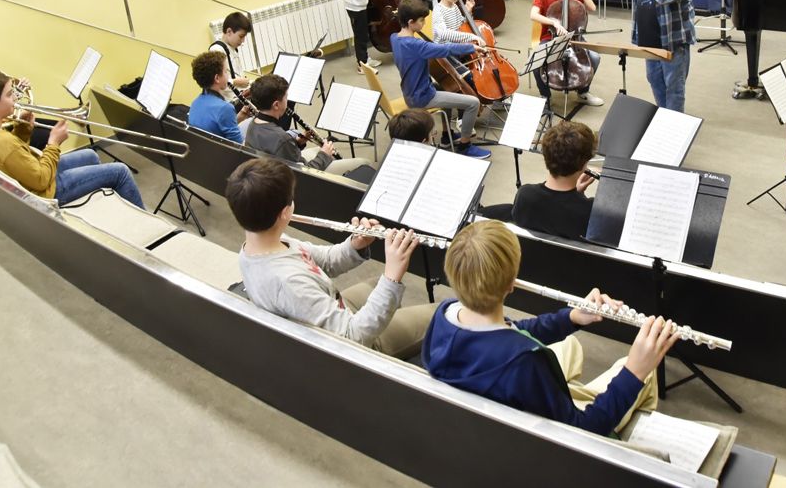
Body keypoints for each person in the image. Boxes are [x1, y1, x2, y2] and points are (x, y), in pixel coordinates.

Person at [422, 220, 677, 436]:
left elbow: (508, 332)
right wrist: (635, 370)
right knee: (643, 373)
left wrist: (572, 317)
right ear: (511, 283)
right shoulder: (526, 361)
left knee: (570, 346)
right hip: (548, 441)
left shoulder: (446, 313)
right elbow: (583, 428)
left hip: (489, 403)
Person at [228, 158, 435, 358]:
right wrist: (391, 278)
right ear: (285, 212)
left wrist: (354, 245)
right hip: (353, 347)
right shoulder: (290, 283)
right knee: (439, 314)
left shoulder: (265, 242)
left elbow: (324, 261)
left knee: (375, 285)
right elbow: (353, 337)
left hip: (333, 306)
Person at [0, 73, 143, 207]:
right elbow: (40, 179)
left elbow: (14, 156)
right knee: (120, 171)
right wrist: (54, 143)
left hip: (29, 173)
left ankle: (102, 204)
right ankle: (145, 226)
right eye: (9, 95)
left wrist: (23, 128)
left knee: (89, 155)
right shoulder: (2, 142)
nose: (15, 98)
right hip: (45, 192)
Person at [390, 0, 489, 159]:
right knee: (473, 103)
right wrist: (472, 46)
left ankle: (446, 135)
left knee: (444, 88)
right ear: (410, 22)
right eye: (421, 21)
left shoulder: (394, 38)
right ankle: (465, 146)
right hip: (422, 97)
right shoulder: (417, 45)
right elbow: (445, 48)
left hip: (410, 92)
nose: (423, 24)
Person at [243, 74, 371, 177]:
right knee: (363, 163)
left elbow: (278, 150)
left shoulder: (252, 125)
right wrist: (325, 154)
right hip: (294, 182)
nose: (287, 101)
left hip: (271, 172)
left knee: (317, 150)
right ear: (276, 105)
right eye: (286, 98)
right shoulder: (281, 138)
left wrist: (297, 143)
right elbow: (304, 173)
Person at [530, 0, 604, 107]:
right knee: (536, 63)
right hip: (550, 37)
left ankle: (583, 92)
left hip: (574, 36)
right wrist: (554, 22)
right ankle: (545, 96)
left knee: (595, 58)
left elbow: (592, 7)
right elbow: (533, 15)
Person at [511, 122, 597, 240]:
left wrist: (577, 193)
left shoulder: (525, 194)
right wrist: (578, 196)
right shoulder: (590, 210)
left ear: (546, 156)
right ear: (583, 164)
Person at [188, 50, 251, 143]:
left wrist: (240, 117)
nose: (228, 75)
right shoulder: (225, 108)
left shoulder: (195, 102)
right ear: (217, 78)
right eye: (226, 71)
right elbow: (239, 146)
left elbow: (217, 131)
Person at [209, 12, 253, 101]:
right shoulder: (217, 50)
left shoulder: (232, 48)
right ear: (229, 31)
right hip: (228, 102)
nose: (243, 41)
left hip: (238, 96)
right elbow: (215, 82)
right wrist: (236, 82)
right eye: (241, 36)